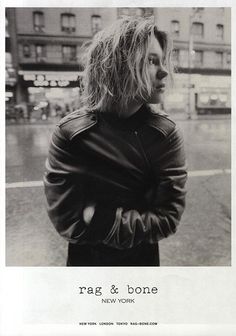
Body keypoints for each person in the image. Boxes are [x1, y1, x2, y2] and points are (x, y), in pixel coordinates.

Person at [44, 16, 187, 266]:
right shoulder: (72, 133)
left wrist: (101, 219)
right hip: (85, 265)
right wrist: (136, 218)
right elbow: (67, 222)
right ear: (117, 65)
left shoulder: (164, 134)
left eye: (162, 60)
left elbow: (168, 218)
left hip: (142, 263)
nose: (164, 71)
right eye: (151, 61)